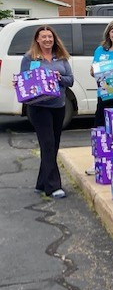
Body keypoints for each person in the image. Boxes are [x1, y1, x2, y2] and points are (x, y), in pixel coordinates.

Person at [15, 26, 74, 199]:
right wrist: (18, 83)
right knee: (47, 143)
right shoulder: (29, 57)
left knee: (53, 145)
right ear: (37, 40)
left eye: (50, 37)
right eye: (44, 37)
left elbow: (70, 80)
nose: (47, 40)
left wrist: (59, 78)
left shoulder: (61, 58)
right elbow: (24, 79)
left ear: (54, 39)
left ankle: (41, 183)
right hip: (39, 108)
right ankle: (53, 186)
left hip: (58, 106)